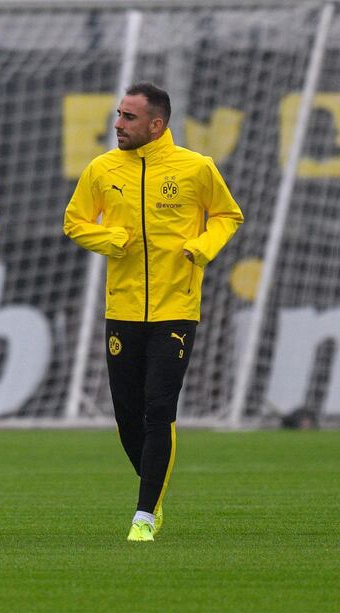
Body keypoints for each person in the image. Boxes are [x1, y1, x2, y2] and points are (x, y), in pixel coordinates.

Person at [63, 82, 243, 541]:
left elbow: (227, 215)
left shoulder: (195, 167)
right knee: (127, 416)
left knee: (159, 408)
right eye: (118, 115)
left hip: (176, 308)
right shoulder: (102, 169)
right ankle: (155, 491)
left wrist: (202, 248)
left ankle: (144, 514)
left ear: (156, 124)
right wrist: (111, 240)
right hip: (121, 310)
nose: (118, 125)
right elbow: (74, 221)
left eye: (128, 117)